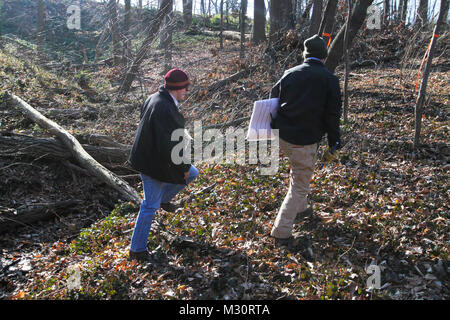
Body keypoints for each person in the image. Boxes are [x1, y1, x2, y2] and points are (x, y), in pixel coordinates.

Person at [269, 35, 342, 247]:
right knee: (300, 185)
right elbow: (333, 115)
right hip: (304, 140)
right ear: (324, 55)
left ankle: (302, 209)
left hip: (283, 136)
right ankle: (281, 233)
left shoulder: (289, 74)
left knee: (299, 173)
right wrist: (334, 141)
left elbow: (273, 101)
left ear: (305, 54)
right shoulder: (330, 80)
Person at [128, 68, 199, 262]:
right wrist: (183, 169)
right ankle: (137, 250)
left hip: (151, 156)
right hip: (153, 162)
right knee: (149, 206)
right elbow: (170, 146)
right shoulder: (165, 108)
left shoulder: (156, 98)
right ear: (177, 88)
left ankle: (164, 200)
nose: (186, 91)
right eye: (185, 88)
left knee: (194, 173)